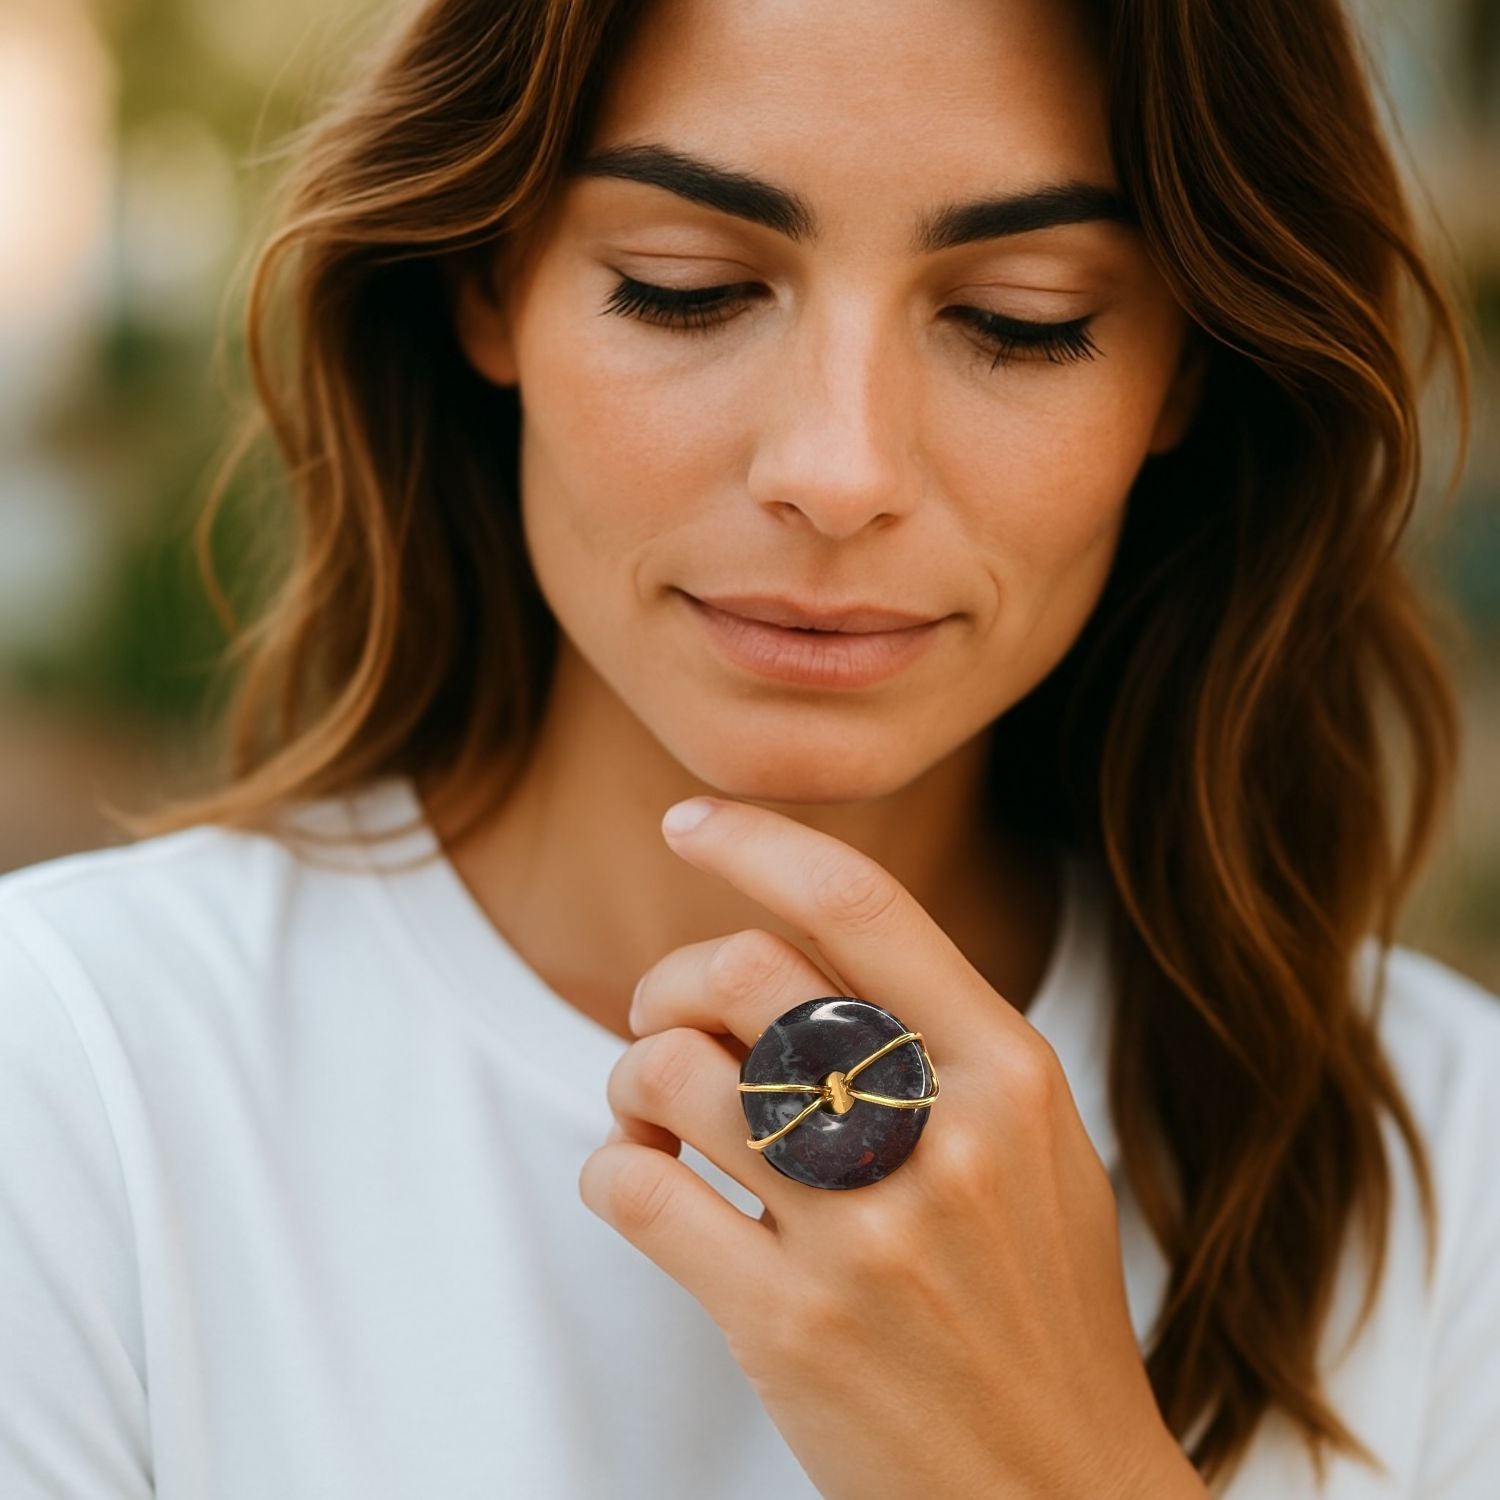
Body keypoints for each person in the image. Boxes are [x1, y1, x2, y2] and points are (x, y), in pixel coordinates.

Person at [1, 0, 1496, 1494]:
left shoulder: (1453, 1155)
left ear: (1182, 372)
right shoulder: (76, 1078)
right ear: (487, 281)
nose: (838, 471)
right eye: (685, 288)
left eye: (1023, 317)